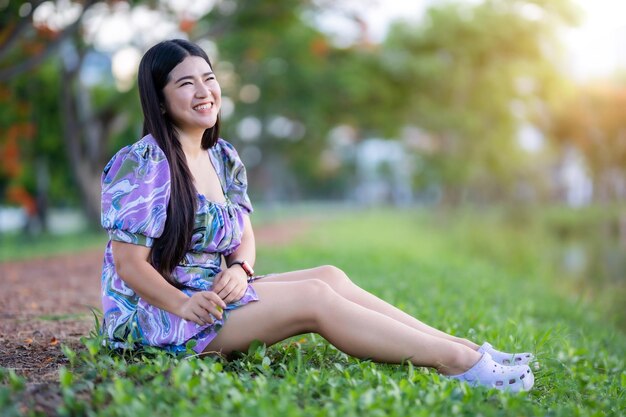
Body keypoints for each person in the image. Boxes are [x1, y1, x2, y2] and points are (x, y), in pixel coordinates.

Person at [100, 39, 535, 392]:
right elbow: (128, 264)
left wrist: (241, 266)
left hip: (214, 295)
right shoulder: (142, 163)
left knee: (329, 274)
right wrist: (183, 302)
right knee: (314, 297)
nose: (204, 92)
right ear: (158, 101)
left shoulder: (223, 157)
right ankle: (460, 365)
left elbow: (243, 234)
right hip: (163, 317)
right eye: (185, 84)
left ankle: (469, 349)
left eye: (209, 79)